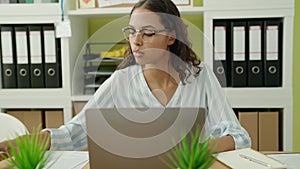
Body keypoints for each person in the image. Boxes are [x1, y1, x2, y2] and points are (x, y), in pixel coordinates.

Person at [0, 0, 250, 157]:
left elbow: (239, 136)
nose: (136, 41)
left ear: (171, 37)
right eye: (131, 32)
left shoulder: (201, 76)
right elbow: (76, 133)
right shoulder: (120, 82)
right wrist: (27, 142)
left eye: (148, 33)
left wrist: (196, 150)